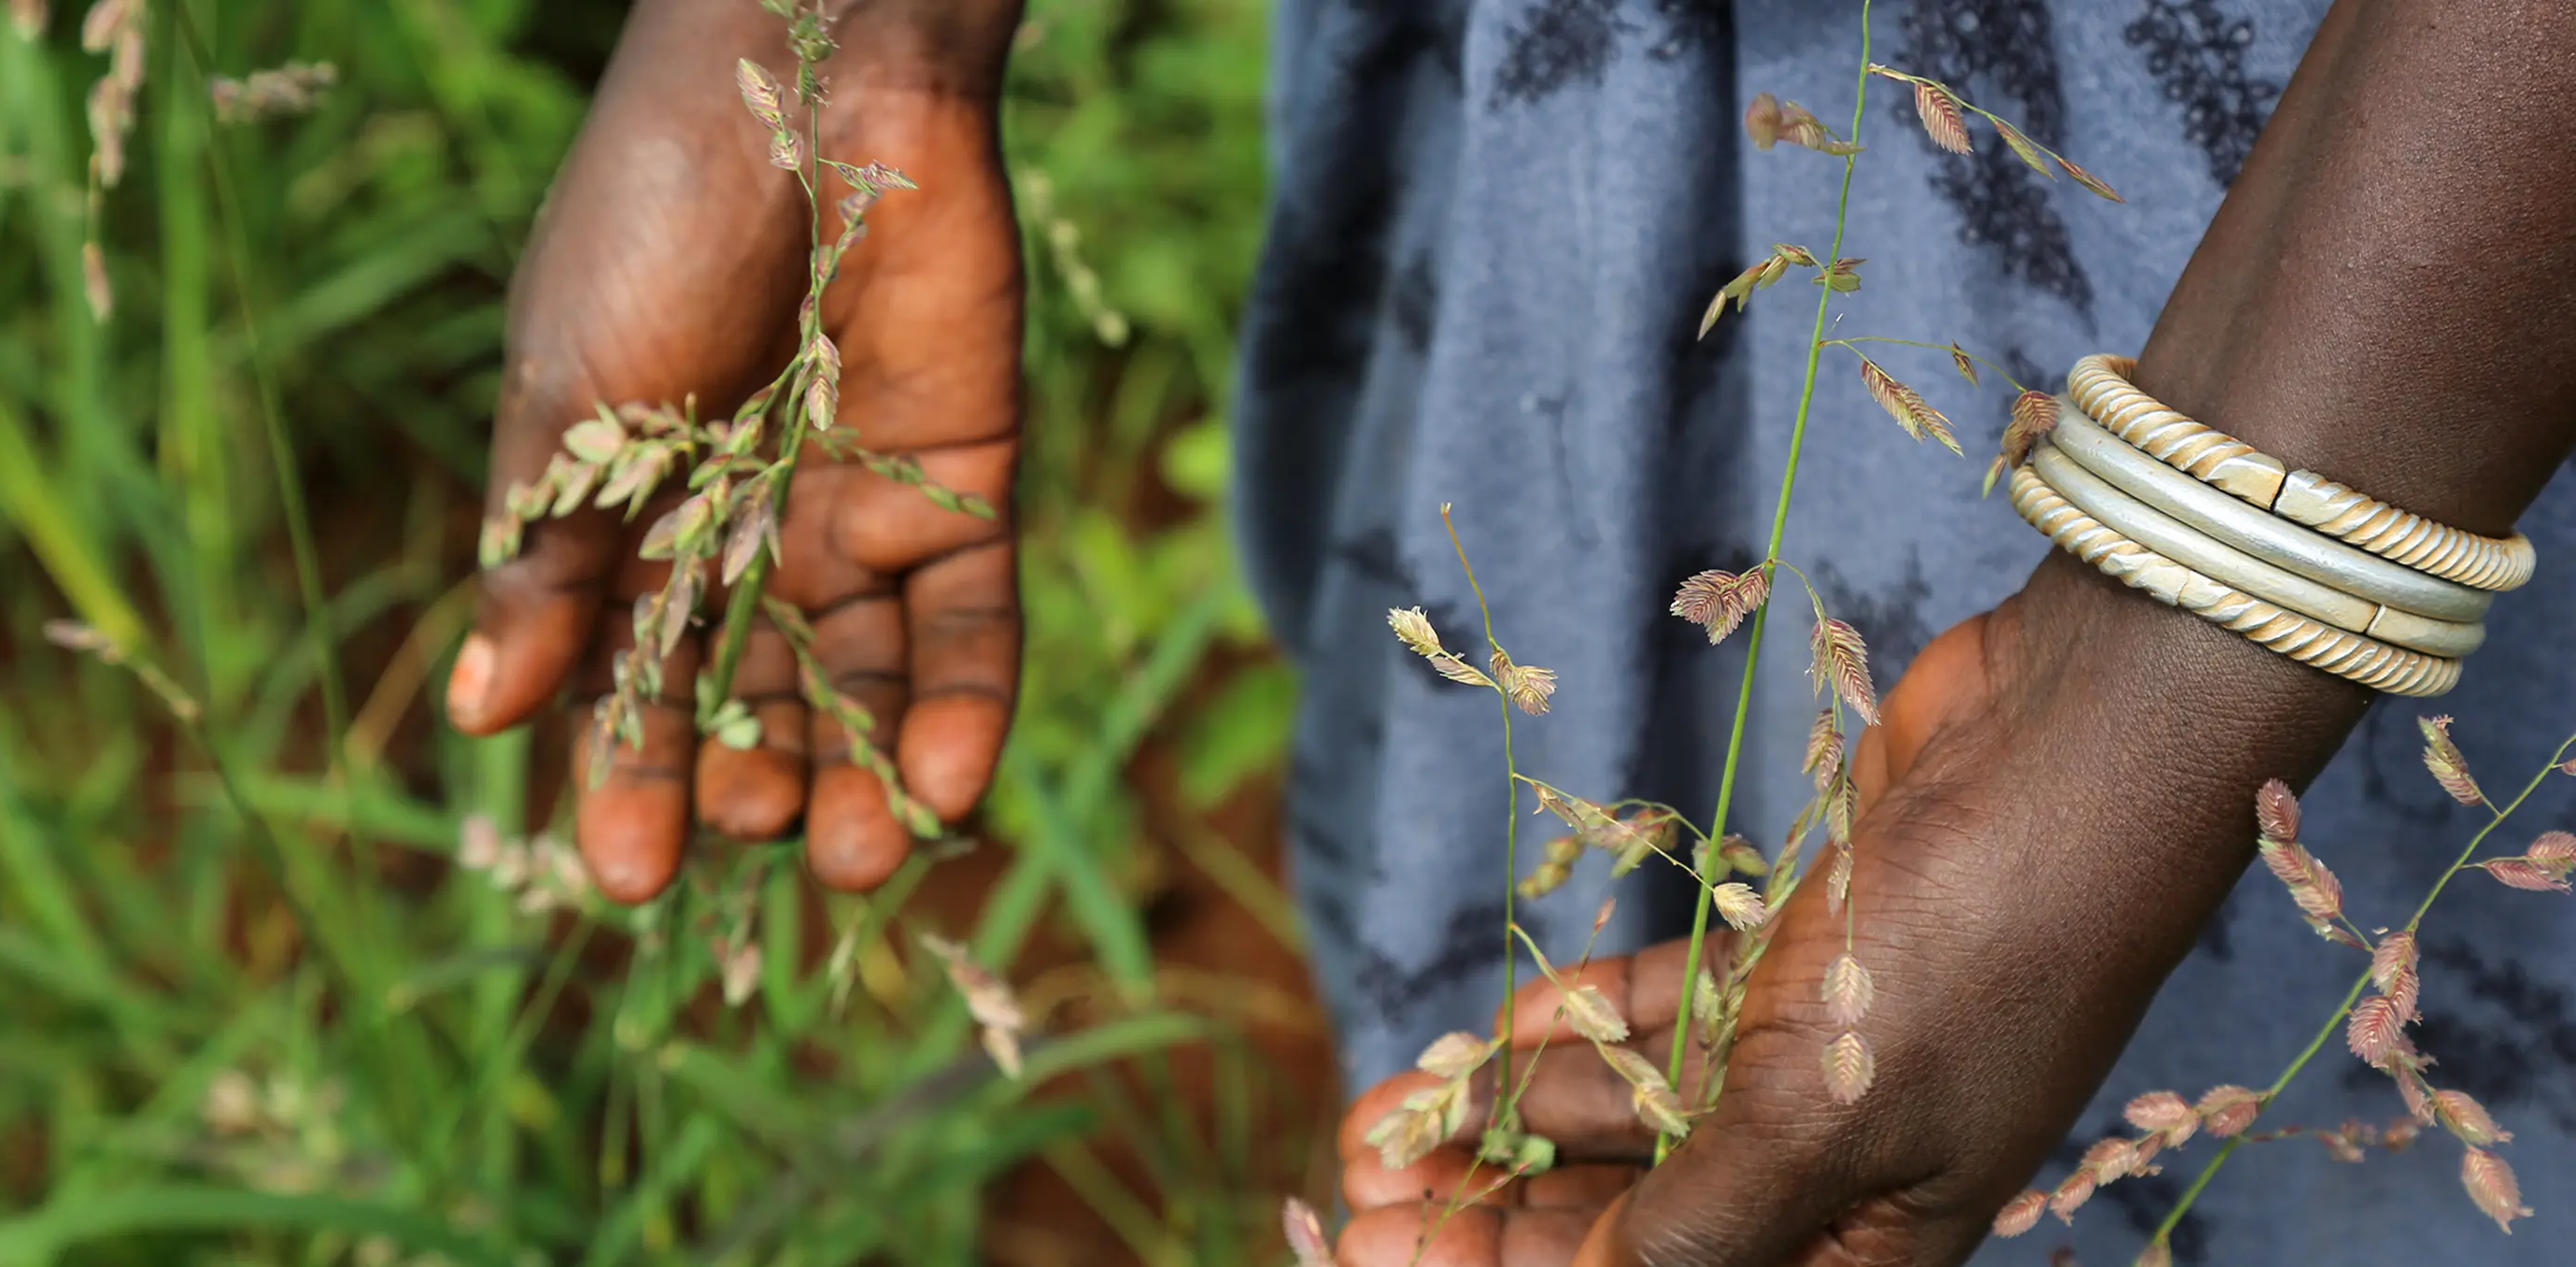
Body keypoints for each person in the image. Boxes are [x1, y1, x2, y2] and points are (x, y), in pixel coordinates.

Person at [441, 0, 2576, 1262]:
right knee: (1547, 1061)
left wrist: (2165, 671)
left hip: (2410, 239)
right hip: (1571, 96)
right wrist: (825, 37)